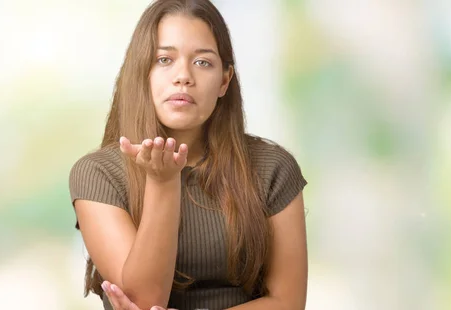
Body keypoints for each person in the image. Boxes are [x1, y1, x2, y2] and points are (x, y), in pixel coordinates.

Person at [68, 0, 308, 309]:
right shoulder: (97, 174)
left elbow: (288, 302)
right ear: (142, 72)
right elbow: (144, 299)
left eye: (203, 62)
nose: (183, 76)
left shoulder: (273, 167)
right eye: (164, 59)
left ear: (224, 80)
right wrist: (163, 182)